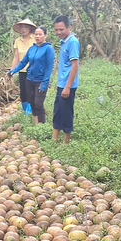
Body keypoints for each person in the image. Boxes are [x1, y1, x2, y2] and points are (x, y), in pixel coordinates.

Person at [6, 26, 55, 124]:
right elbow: (23, 62)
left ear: (45, 35)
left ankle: (42, 126)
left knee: (38, 104)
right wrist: (12, 71)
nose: (37, 36)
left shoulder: (48, 49)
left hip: (40, 81)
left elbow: (49, 68)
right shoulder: (32, 48)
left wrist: (44, 83)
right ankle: (36, 124)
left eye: (40, 34)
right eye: (36, 34)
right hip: (29, 80)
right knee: (32, 102)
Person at [52, 15, 80, 144]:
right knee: (57, 111)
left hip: (67, 85)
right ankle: (54, 139)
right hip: (61, 84)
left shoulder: (72, 42)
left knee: (66, 112)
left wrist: (67, 86)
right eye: (56, 30)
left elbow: (75, 66)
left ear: (69, 27)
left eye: (61, 29)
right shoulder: (64, 42)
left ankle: (66, 141)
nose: (58, 32)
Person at [9, 19, 37, 115]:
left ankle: (29, 114)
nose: (23, 29)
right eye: (22, 27)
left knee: (31, 92)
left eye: (26, 27)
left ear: (30, 28)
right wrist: (11, 71)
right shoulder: (18, 41)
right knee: (23, 93)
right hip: (22, 71)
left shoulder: (35, 39)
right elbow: (16, 57)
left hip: (33, 70)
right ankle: (26, 111)